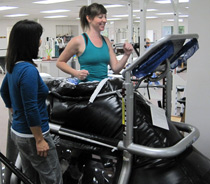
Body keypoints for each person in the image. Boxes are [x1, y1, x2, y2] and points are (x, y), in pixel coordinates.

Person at [0, 20, 63, 184]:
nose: (40, 41)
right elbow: (31, 108)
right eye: (38, 37)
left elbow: (4, 91)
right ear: (29, 41)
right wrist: (40, 139)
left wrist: (14, 109)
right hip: (32, 135)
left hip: (18, 132)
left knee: (30, 177)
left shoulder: (14, 66)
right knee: (53, 178)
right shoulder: (28, 71)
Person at [56, 3, 133, 82]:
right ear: (89, 18)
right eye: (100, 17)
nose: (104, 20)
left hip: (103, 88)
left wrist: (126, 54)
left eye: (105, 17)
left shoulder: (106, 40)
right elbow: (60, 62)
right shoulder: (79, 41)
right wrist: (76, 73)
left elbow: (116, 68)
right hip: (87, 89)